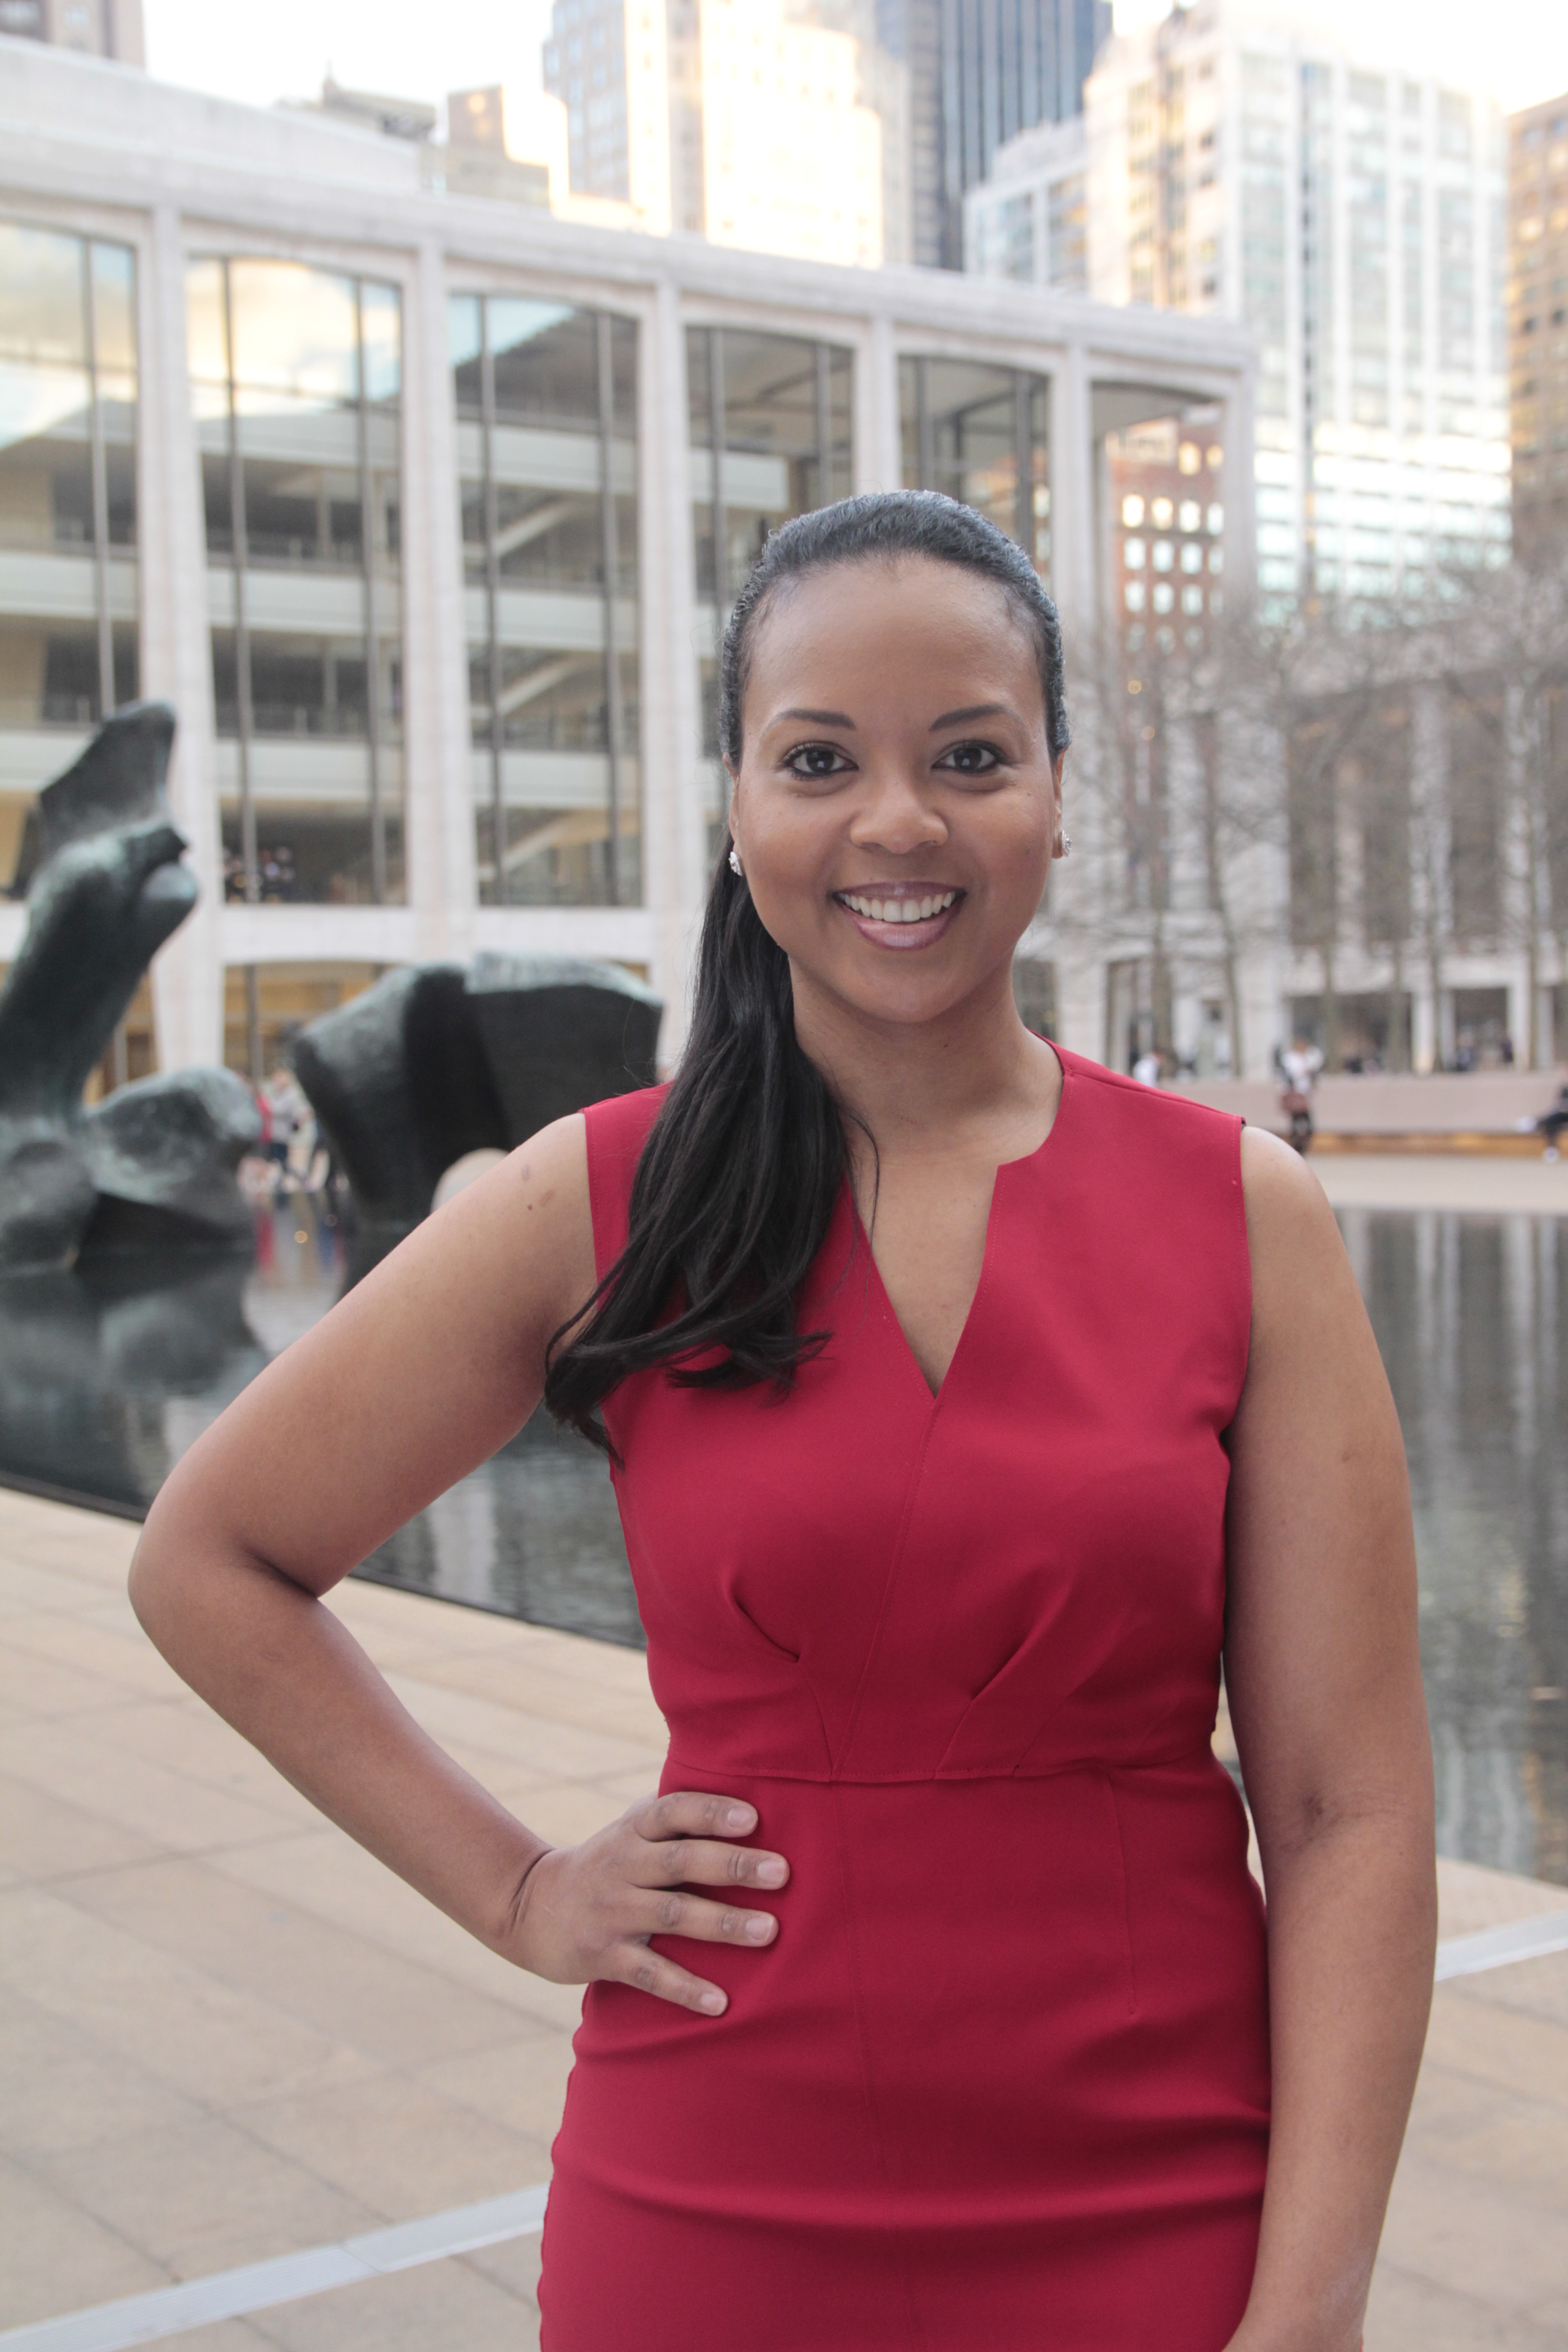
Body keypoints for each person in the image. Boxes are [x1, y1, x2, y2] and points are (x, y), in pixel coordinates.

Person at [128, 492, 1435, 2352]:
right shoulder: (604, 1200)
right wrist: (516, 1888)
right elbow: (212, 1560)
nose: (898, 821)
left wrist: (1312, 2305)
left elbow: (1351, 1809)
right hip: (713, 2192)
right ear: (739, 811)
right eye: (820, 758)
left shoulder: (1243, 1217)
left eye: (969, 755)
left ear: (1059, 791)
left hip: (1164, 2189)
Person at [1280, 1034, 1323, 1154]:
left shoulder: (1306, 1058)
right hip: (1295, 1096)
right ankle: (1296, 1149)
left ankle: (1300, 1148)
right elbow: (1291, 1076)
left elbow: (1318, 1060)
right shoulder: (1290, 1059)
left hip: (1304, 1096)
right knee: (1297, 1125)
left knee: (1307, 1126)